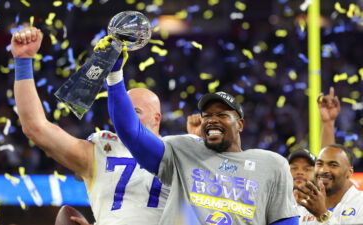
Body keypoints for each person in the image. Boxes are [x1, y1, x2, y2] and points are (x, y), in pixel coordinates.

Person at [104, 52, 299, 223]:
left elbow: (285, 221)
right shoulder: (183, 150)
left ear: (240, 124)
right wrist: (114, 76)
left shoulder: (272, 164)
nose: (212, 120)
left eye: (222, 115)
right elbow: (130, 132)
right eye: (207, 116)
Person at [11, 27, 169, 225]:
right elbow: (36, 127)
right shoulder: (103, 151)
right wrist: (23, 61)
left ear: (157, 118)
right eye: (124, 111)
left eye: (135, 112)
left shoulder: (178, 152)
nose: (126, 117)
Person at [294, 88, 363, 224]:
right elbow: (329, 152)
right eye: (319, 164)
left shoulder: (361, 204)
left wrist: (323, 215)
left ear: (349, 172)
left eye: (333, 165)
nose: (324, 170)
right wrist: (327, 124)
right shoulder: (305, 207)